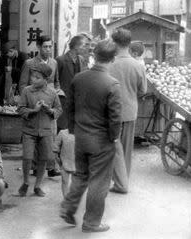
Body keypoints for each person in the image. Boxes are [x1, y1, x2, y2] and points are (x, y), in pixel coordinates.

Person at [60, 39, 122, 233]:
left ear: (94, 56)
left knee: (81, 175)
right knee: (99, 182)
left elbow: (69, 107)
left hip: (81, 137)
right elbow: (115, 118)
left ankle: (68, 207)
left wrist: (72, 129)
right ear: (113, 59)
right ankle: (92, 222)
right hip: (102, 141)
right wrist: (114, 137)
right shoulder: (112, 84)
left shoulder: (79, 78)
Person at [108, 29, 147, 194]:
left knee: (111, 147)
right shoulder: (138, 65)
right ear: (129, 43)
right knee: (126, 150)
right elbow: (143, 90)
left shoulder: (109, 64)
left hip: (111, 112)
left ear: (114, 43)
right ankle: (123, 182)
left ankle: (114, 181)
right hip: (130, 112)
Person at [16, 62, 62, 197]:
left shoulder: (52, 93)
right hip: (29, 130)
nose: (33, 79)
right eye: (32, 76)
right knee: (27, 157)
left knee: (43, 158)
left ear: (45, 80)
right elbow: (20, 109)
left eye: (37, 77)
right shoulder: (26, 91)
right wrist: (33, 110)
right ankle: (25, 182)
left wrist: (49, 110)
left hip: (46, 130)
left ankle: (37, 186)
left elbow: (59, 110)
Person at [19, 35, 61, 177]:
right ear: (38, 47)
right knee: (34, 135)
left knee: (50, 136)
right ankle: (36, 167)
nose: (48, 49)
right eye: (45, 46)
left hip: (49, 104)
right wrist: (28, 102)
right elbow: (23, 84)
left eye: (50, 46)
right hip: (34, 103)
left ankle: (51, 166)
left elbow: (56, 82)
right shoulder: (29, 63)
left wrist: (55, 93)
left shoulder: (54, 63)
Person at [55, 35, 89, 131]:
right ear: (76, 46)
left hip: (77, 100)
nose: (85, 48)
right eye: (84, 46)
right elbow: (54, 80)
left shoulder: (81, 60)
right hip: (63, 100)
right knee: (61, 128)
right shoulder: (60, 60)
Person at [54, 129, 75, 198]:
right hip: (65, 162)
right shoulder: (62, 133)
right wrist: (57, 157)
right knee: (65, 181)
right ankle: (66, 199)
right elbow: (56, 146)